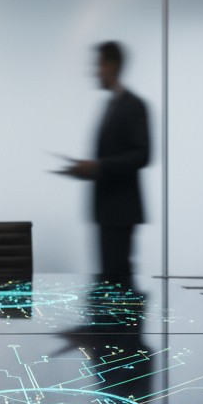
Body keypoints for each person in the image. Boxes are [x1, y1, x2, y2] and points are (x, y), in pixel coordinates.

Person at [61, 40, 150, 280]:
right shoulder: (113, 105)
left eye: (99, 65)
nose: (95, 71)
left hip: (120, 211)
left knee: (117, 280)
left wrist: (98, 166)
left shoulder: (133, 105)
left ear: (113, 65)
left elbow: (142, 154)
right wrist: (87, 169)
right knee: (110, 279)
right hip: (107, 210)